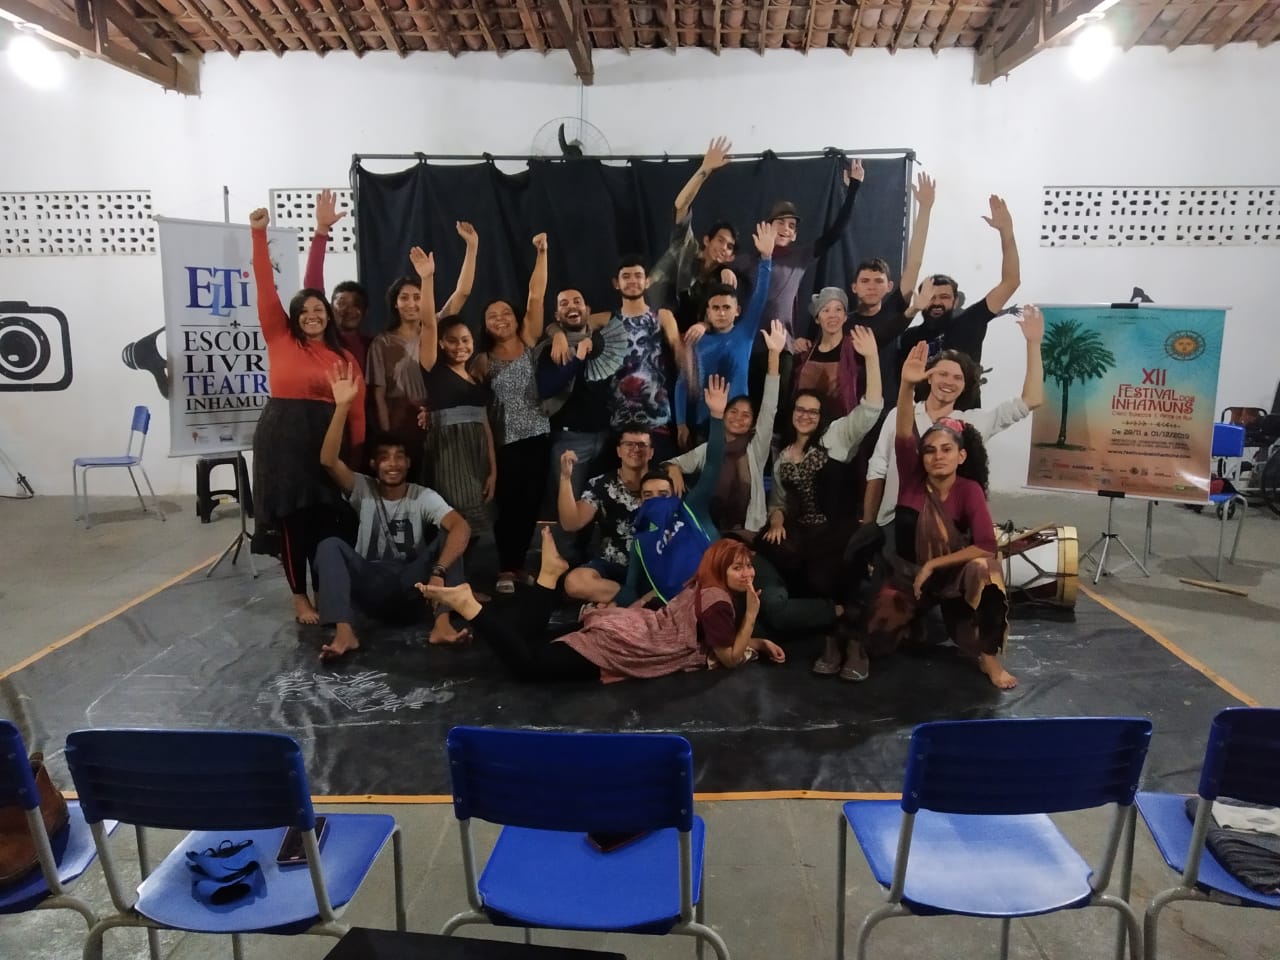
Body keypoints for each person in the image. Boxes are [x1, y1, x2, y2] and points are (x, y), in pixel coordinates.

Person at [853, 341, 1016, 690]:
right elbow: (903, 434)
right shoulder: (912, 479)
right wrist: (906, 385)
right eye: (929, 451)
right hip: (908, 578)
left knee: (985, 571)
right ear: (921, 456)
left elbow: (987, 545)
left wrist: (934, 565)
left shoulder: (969, 490)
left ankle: (989, 659)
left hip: (953, 581)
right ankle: (914, 620)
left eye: (946, 450)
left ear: (961, 456)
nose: (937, 456)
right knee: (876, 638)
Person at [419, 529, 786, 683]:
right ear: (721, 569)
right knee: (528, 666)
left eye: (748, 566)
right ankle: (469, 606)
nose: (747, 574)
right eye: (738, 568)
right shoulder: (719, 601)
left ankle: (548, 577)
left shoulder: (704, 583)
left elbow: (717, 640)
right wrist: (752, 616)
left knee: (529, 639)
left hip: (628, 625)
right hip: (626, 644)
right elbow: (728, 657)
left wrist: (757, 642)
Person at [247, 206, 366, 627]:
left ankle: (325, 590)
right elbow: (266, 287)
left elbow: (357, 413)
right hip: (283, 441)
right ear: (295, 318)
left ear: (328, 315)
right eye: (304, 311)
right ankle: (299, 598)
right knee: (292, 524)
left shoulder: (343, 356)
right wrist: (258, 234)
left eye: (319, 309)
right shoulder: (280, 337)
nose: (313, 315)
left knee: (325, 523)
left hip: (327, 443)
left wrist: (354, 460)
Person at [314, 361, 472, 660]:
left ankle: (442, 625)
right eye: (385, 458)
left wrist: (438, 571)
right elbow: (327, 460)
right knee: (329, 545)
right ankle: (345, 632)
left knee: (450, 536)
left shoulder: (422, 496)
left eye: (400, 457)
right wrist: (343, 406)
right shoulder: (362, 488)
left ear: (408, 463)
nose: (393, 464)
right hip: (372, 584)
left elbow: (460, 526)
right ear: (374, 464)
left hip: (414, 586)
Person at [862, 300, 1044, 535]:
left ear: (965, 386)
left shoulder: (973, 423)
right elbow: (878, 469)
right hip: (893, 525)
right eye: (943, 374)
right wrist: (867, 526)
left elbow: (1031, 399)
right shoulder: (900, 414)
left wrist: (1033, 343)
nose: (949, 382)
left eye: (958, 378)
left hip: (947, 530)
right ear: (929, 377)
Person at [761, 328, 884, 599]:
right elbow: (778, 503)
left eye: (812, 412)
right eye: (800, 409)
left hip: (836, 533)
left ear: (821, 415)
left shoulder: (835, 436)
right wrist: (777, 523)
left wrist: (872, 358)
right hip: (801, 532)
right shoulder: (783, 457)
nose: (805, 416)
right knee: (772, 553)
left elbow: (871, 409)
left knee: (820, 579)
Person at [473, 234, 550, 593]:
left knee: (531, 504)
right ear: (485, 323)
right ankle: (505, 568)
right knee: (508, 506)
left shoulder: (529, 341)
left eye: (505, 313)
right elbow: (467, 399)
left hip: (538, 435)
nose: (500, 319)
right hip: (504, 443)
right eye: (493, 315)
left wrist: (541, 253)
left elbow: (536, 296)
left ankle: (517, 566)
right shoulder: (481, 360)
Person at [618, 375, 730, 607]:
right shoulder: (642, 542)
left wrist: (717, 416)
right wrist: (616, 611)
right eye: (648, 496)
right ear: (639, 502)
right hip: (679, 609)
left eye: (663, 495)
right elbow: (629, 588)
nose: (656, 501)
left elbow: (713, 465)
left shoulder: (692, 509)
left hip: (719, 594)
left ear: (674, 495)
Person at [414, 247, 497, 544]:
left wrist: (493, 469)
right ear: (440, 344)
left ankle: (463, 571)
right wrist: (427, 279)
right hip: (448, 454)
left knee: (476, 528)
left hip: (477, 456)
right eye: (452, 341)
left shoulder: (476, 376)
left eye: (465, 340)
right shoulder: (433, 368)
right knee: (453, 520)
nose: (460, 346)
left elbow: (485, 425)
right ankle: (446, 570)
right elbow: (429, 323)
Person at [673, 221, 776, 448]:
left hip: (737, 426)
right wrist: (680, 423)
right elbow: (681, 384)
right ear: (708, 312)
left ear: (737, 311)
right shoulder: (696, 340)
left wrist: (767, 258)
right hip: (703, 426)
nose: (721, 313)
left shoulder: (745, 333)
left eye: (726, 308)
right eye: (716, 308)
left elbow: (760, 295)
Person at [896, 194, 1021, 379]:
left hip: (967, 400)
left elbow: (1011, 282)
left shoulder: (970, 321)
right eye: (931, 296)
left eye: (944, 297)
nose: (936, 302)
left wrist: (1006, 231)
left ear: (955, 301)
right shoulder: (909, 338)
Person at [848, 172, 936, 403]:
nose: (872, 287)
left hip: (889, 404)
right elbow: (876, 339)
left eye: (878, 281)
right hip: (851, 406)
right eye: (865, 281)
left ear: (889, 286)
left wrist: (925, 209)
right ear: (854, 287)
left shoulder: (894, 308)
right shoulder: (844, 322)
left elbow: (914, 263)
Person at [646, 135, 740, 331]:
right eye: (720, 240)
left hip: (688, 336)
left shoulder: (721, 280)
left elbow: (720, 320)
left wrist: (705, 325)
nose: (723, 247)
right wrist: (705, 169)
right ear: (706, 240)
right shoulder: (686, 246)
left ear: (731, 256)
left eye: (729, 246)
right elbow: (681, 205)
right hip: (651, 322)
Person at [534, 288, 617, 504]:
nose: (571, 306)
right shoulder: (550, 349)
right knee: (567, 506)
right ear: (557, 315)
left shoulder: (604, 340)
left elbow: (620, 315)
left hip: (607, 437)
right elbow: (546, 388)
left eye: (577, 301)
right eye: (564, 303)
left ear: (587, 310)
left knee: (602, 505)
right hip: (570, 441)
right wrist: (576, 358)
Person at [556, 423, 655, 604]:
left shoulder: (662, 484)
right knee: (574, 582)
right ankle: (635, 602)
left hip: (652, 566)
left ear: (651, 453)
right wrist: (565, 478)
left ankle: (614, 604)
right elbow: (571, 523)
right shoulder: (601, 483)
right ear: (619, 451)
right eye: (629, 444)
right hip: (610, 565)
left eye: (642, 445)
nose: (635, 449)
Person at [607, 255, 684, 463]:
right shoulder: (606, 320)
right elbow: (565, 324)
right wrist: (556, 333)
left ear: (647, 281)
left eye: (638, 275)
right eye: (626, 276)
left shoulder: (662, 316)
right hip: (620, 421)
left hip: (657, 419)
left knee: (661, 478)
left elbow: (679, 351)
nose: (633, 280)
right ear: (616, 283)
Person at [302, 190, 371, 373]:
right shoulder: (321, 338)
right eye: (342, 303)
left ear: (365, 312)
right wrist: (322, 231)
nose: (349, 310)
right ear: (330, 308)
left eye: (356, 304)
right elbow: (312, 288)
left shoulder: (373, 345)